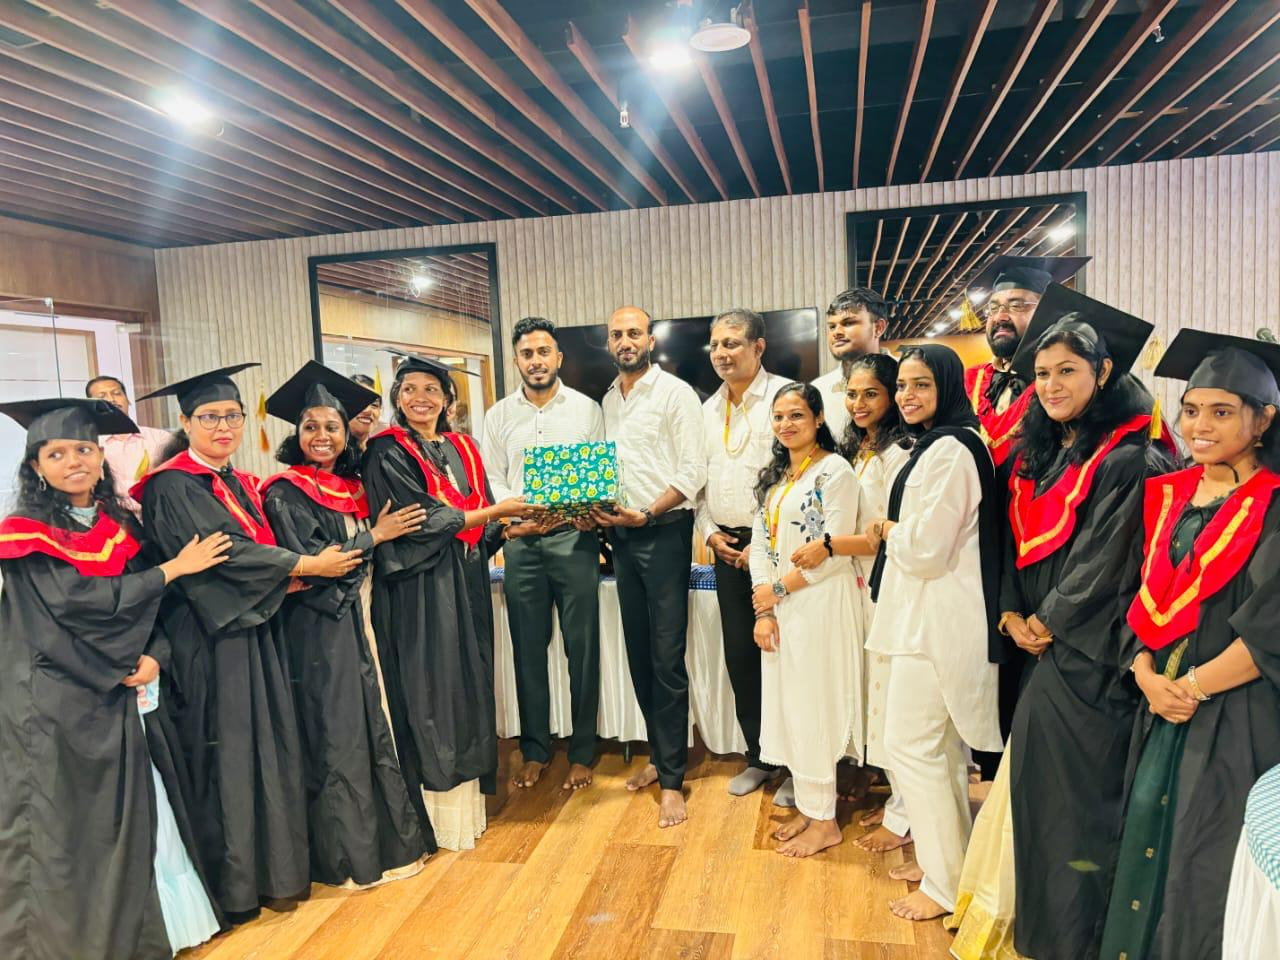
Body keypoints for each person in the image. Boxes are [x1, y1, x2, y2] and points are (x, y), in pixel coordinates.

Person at [948, 289, 1173, 959]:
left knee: (1077, 805)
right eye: (1042, 373)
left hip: (1091, 655)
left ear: (1103, 373)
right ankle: (1039, 929)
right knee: (1039, 797)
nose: (1050, 385)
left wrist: (1045, 620)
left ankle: (1072, 940)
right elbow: (1008, 539)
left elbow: (1107, 560)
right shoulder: (1037, 453)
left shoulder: (1130, 458)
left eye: (1067, 371)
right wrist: (1011, 611)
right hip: (1038, 645)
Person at [0, 398, 231, 960]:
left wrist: (154, 655)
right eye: (57, 454)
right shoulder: (24, 534)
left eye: (84, 449)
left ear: (101, 458)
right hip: (55, 696)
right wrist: (171, 569)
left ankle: (153, 927)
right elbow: (71, 606)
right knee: (69, 819)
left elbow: (154, 607)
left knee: (140, 808)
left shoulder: (121, 524)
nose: (74, 462)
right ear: (36, 467)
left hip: (122, 687)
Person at [132, 363, 365, 919]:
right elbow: (225, 553)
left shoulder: (235, 480)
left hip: (254, 629)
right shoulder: (172, 485)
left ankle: (274, 874)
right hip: (209, 639)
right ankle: (235, 889)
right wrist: (305, 565)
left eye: (232, 416)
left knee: (268, 750)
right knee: (231, 757)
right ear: (185, 422)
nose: (223, 427)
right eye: (209, 417)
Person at [1100, 329, 1280, 960]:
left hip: (1236, 711)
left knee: (1203, 852)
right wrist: (1145, 674)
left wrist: (1192, 688)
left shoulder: (1275, 506)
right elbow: (1134, 594)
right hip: (1160, 701)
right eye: (1192, 409)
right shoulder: (1168, 493)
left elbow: (1271, 627)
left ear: (1263, 420)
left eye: (1222, 412)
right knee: (1148, 829)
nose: (1201, 426)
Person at [260, 361, 430, 888]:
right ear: (295, 433)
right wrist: (375, 536)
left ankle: (392, 842)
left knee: (374, 726)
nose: (322, 436)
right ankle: (349, 858)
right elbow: (319, 566)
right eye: (310, 426)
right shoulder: (285, 492)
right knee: (340, 736)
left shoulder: (353, 486)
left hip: (364, 620)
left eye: (331, 426)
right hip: (321, 628)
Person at [362, 350, 541, 850]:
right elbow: (421, 519)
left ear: (447, 399)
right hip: (420, 588)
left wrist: (509, 527)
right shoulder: (386, 451)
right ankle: (435, 820)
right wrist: (495, 514)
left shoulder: (463, 446)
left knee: (468, 682)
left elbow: (478, 518)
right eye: (409, 390)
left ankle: (466, 814)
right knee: (433, 689)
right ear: (398, 398)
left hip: (466, 582)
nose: (420, 398)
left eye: (431, 390)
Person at [863, 344, 1003, 921]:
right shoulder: (940, 445)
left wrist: (887, 528)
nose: (907, 396)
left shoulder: (952, 449)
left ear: (948, 386)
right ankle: (947, 866)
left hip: (936, 623)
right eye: (902, 385)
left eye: (921, 384)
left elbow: (925, 549)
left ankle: (944, 886)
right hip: (924, 619)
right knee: (936, 751)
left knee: (912, 746)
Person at [593, 306, 707, 829]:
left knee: (666, 657)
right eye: (617, 334)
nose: (625, 341)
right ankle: (660, 758)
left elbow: (692, 471)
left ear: (650, 340)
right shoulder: (608, 400)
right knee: (639, 653)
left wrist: (648, 513)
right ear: (609, 343)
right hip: (621, 534)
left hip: (663, 532)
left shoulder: (676, 394)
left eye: (634, 333)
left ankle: (673, 781)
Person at [793, 353, 912, 850]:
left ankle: (907, 816)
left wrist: (827, 545)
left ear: (893, 395)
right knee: (874, 697)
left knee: (896, 700)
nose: (859, 403)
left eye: (872, 394)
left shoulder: (901, 451)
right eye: (853, 394)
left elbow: (884, 534)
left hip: (887, 584)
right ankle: (897, 801)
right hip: (857, 585)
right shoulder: (860, 448)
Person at [481, 317, 605, 792]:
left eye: (543, 352)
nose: (536, 361)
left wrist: (584, 511)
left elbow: (599, 471)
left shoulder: (586, 409)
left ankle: (582, 751)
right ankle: (535, 748)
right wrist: (516, 514)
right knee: (528, 649)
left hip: (574, 538)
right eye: (527, 353)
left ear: (559, 357)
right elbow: (493, 477)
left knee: (582, 648)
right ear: (516, 360)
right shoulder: (498, 416)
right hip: (521, 543)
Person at [749, 383, 864, 857]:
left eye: (796, 415)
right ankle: (810, 806)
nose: (786, 425)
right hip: (783, 606)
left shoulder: (835, 471)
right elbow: (761, 543)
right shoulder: (779, 476)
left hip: (820, 604)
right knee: (791, 707)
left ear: (818, 418)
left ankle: (826, 822)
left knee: (814, 705)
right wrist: (765, 606)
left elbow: (834, 552)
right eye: (778, 417)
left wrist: (777, 591)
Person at [694, 308, 791, 798]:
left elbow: (798, 474)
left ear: (758, 347)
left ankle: (799, 766)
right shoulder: (707, 410)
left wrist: (764, 540)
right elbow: (698, 483)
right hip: (727, 549)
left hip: (776, 549)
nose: (721, 353)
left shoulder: (786, 399)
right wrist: (710, 533)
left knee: (787, 657)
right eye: (715, 345)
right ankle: (761, 757)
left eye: (731, 343)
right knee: (742, 656)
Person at [963, 255, 1090, 468]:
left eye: (1017, 305)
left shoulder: (1070, 386)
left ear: (1046, 313)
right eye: (993, 308)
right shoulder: (971, 380)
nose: (1000, 317)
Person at [86, 374, 175, 516]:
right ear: (91, 407)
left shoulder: (160, 438)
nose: (111, 399)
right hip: (114, 519)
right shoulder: (89, 447)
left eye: (117, 393)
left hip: (159, 516)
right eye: (102, 396)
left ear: (128, 400)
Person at [810, 288, 890, 438]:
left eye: (848, 323)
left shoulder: (905, 379)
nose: (836, 332)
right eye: (832, 326)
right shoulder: (818, 390)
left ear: (878, 328)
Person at [346, 373, 385, 449]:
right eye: (360, 402)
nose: (368, 410)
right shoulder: (333, 451)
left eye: (374, 405)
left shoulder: (382, 450)